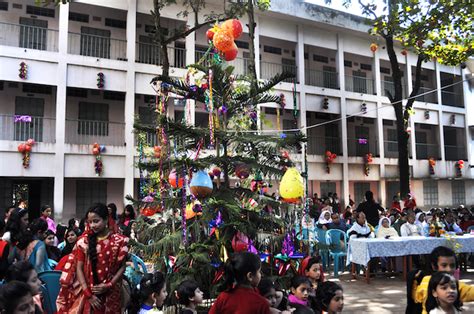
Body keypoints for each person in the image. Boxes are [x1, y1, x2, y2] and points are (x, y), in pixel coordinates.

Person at [56, 203, 130, 313]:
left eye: (96, 221)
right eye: (90, 222)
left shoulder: (119, 241)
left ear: (106, 220)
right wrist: (88, 294)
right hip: (88, 294)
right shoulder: (83, 242)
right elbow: (79, 269)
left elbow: (122, 267)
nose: (92, 225)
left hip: (111, 293)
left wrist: (109, 285)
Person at [412, 246, 474, 314]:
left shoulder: (425, 280)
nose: (449, 269)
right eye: (444, 265)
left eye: (452, 265)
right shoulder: (454, 285)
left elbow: (417, 298)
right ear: (434, 266)